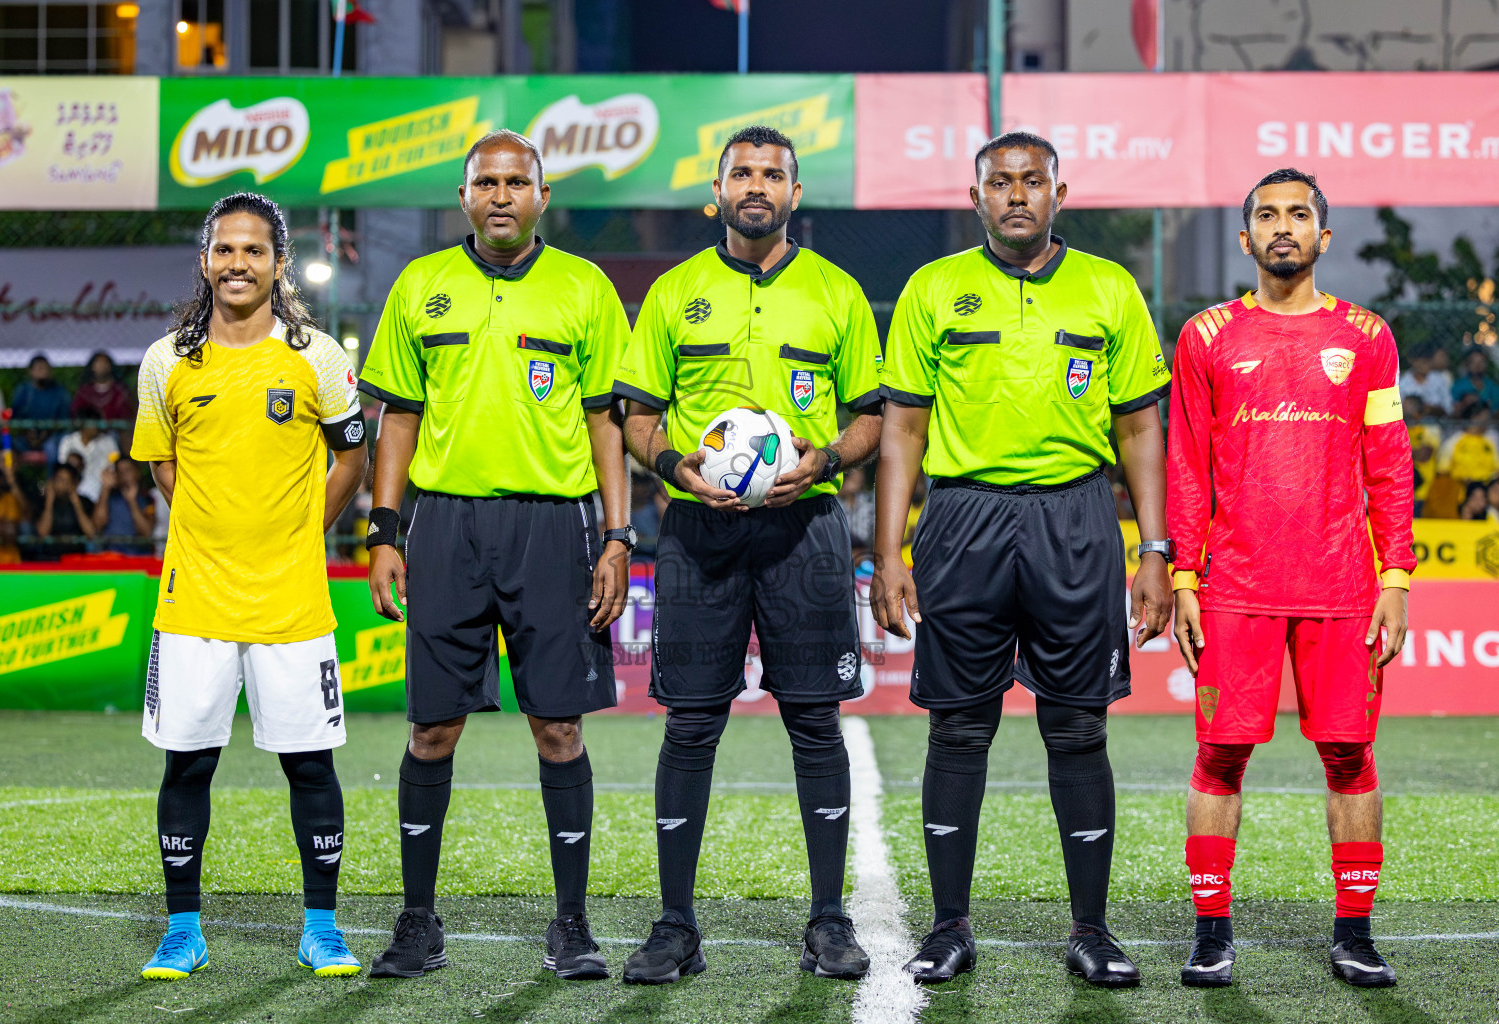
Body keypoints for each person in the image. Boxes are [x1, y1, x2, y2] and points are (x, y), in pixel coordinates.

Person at [871, 131, 1173, 987]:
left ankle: (1091, 930)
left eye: (1030, 181)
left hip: (1077, 518)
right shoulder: (935, 289)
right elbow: (903, 428)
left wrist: (1153, 550)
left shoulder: (1109, 288)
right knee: (958, 727)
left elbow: (1140, 427)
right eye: (998, 182)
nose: (1015, 195)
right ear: (976, 198)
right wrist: (888, 551)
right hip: (962, 518)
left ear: (1058, 193)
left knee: (1077, 726)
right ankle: (947, 928)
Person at [356, 130, 631, 982]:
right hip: (444, 527)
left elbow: (605, 424)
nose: (502, 195)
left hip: (555, 528)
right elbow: (396, 416)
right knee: (430, 729)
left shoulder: (585, 288)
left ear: (544, 196)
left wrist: (618, 537)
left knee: (557, 727)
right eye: (487, 182)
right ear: (465, 196)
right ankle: (416, 922)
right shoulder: (422, 284)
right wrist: (384, 529)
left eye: (518, 181)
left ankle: (573, 925)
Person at [614, 125, 882, 985]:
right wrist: (673, 468)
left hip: (804, 531)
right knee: (692, 724)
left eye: (773, 174)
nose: (756, 185)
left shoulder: (837, 294)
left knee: (814, 723)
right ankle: (674, 927)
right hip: (698, 532)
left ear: (795, 194)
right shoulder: (672, 293)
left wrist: (827, 461)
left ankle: (830, 922)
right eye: (741, 173)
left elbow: (872, 418)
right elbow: (638, 418)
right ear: (718, 191)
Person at [1168, 168, 1414, 989]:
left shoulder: (1368, 337)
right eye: (1267, 216)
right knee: (1220, 758)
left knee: (1351, 757)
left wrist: (1397, 577)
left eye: (1299, 214)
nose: (1283, 226)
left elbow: (1389, 463)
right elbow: (1188, 465)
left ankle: (1354, 932)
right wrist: (1186, 579)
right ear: (1245, 240)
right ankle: (1210, 932)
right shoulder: (1207, 337)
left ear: (1323, 236)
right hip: (1234, 589)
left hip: (1344, 588)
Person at [131, 192, 369, 981]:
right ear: (205, 262)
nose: (238, 262)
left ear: (278, 263)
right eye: (224, 250)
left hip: (292, 602)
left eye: (253, 250)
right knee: (186, 765)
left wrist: (303, 528)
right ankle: (182, 930)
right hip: (194, 600)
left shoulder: (320, 358)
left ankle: (322, 928)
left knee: (310, 765)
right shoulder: (167, 360)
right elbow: (163, 465)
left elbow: (352, 457)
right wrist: (213, 525)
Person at [10, 354, 71, 457]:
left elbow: (64, 419)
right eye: (38, 368)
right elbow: (15, 416)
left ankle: (54, 473)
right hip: (25, 436)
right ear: (31, 371)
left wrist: (45, 434)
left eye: (45, 368)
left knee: (53, 448)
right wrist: (28, 432)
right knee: (7, 446)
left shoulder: (60, 392)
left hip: (51, 435)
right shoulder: (23, 391)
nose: (42, 371)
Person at [34, 462, 97, 560]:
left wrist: (76, 502)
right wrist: (49, 501)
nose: (62, 484)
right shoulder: (42, 502)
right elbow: (42, 533)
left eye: (67, 481)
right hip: (49, 558)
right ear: (52, 480)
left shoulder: (85, 502)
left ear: (74, 483)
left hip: (76, 559)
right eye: (59, 479)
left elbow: (91, 533)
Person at [93, 456, 155, 554]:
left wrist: (132, 502)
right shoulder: (109, 496)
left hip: (137, 556)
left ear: (137, 472)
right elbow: (97, 525)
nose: (124, 475)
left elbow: (146, 532)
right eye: (120, 472)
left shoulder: (147, 498)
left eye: (128, 470)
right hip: (110, 556)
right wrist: (105, 489)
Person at [1438, 405, 1499, 485]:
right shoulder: (1454, 440)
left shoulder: (1493, 438)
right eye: (1485, 418)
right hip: (1459, 487)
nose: (1488, 421)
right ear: (1474, 417)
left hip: (1486, 488)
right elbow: (1442, 470)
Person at [58, 423, 120, 502]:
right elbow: (63, 467)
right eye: (91, 424)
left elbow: (114, 463)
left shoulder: (108, 441)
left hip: (100, 487)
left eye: (96, 423)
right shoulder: (68, 441)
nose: (94, 427)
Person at [71, 350, 136, 423]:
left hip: (115, 432)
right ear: (92, 367)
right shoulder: (84, 392)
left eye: (105, 362)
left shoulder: (120, 392)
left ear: (110, 366)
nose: (101, 365)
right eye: (97, 362)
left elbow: (127, 416)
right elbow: (76, 415)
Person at [1396, 345, 1451, 415]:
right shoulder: (1402, 382)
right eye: (1423, 361)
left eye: (1429, 361)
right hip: (1410, 422)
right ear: (1412, 361)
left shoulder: (1439, 380)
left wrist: (1432, 409)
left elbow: (1448, 408)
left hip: (1437, 422)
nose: (1426, 365)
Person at [1451, 347, 1499, 415]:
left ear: (1486, 364)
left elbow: (1496, 410)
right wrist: (1464, 404)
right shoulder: (1458, 385)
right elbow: (1451, 410)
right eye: (1474, 362)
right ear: (1467, 364)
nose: (1477, 365)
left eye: (1481, 362)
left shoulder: (1492, 386)